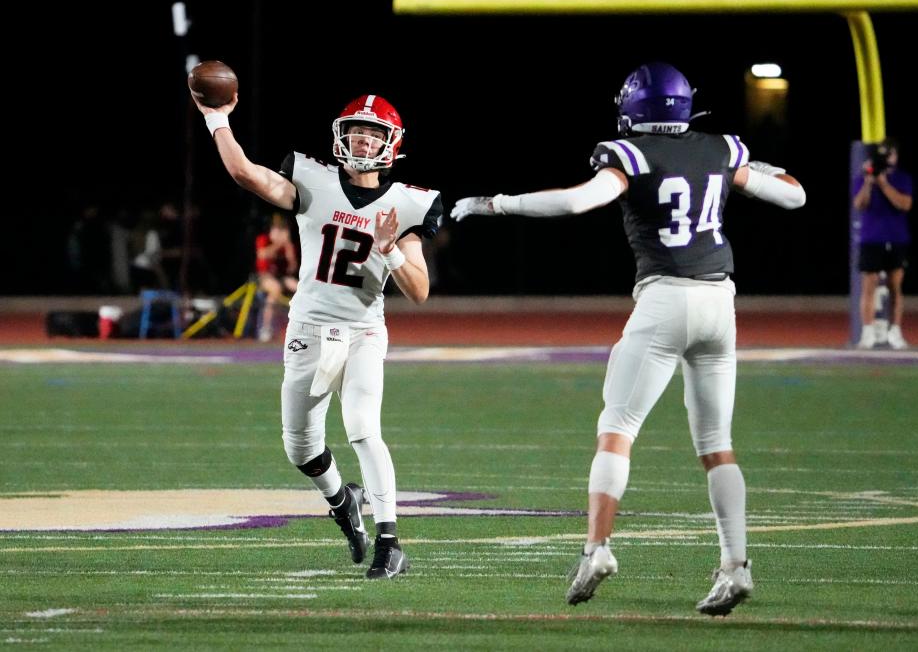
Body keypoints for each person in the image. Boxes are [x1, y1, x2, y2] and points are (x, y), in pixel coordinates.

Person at [452, 62, 805, 614]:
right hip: (720, 302)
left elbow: (575, 202)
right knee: (717, 445)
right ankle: (735, 565)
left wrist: (496, 203)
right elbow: (795, 197)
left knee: (617, 429)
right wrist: (752, 168)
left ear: (633, 108)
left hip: (664, 300)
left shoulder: (629, 154)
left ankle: (597, 549)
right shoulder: (720, 149)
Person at [194, 91, 442, 579]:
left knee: (362, 426)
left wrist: (391, 252)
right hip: (308, 327)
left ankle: (390, 541)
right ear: (340, 136)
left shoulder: (410, 203)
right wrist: (217, 119)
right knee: (299, 447)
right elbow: (246, 172)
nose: (364, 141)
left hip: (362, 330)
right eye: (357, 131)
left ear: (392, 144)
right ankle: (342, 501)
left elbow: (419, 290)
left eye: (374, 134)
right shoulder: (312, 180)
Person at [852, 139, 913, 349]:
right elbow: (859, 204)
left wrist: (884, 184)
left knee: (895, 287)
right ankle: (867, 333)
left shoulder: (901, 178)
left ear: (895, 157)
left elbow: (904, 204)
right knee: (868, 286)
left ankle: (895, 332)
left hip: (896, 238)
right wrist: (870, 183)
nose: (888, 160)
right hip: (871, 238)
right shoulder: (864, 178)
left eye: (890, 155)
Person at [255, 213, 300, 342]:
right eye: (276, 229)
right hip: (264, 276)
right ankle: (266, 327)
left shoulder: (286, 245)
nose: (279, 233)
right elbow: (262, 255)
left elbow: (292, 268)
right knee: (275, 289)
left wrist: (288, 248)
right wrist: (278, 244)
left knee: (300, 288)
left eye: (281, 230)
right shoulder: (263, 239)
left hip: (281, 277)